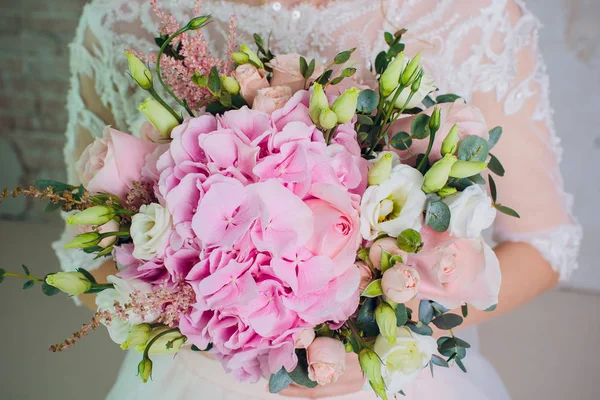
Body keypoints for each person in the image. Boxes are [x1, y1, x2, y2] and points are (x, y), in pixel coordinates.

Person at [53, 0, 582, 398]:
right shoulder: (120, 16)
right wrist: (221, 325)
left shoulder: (471, 16)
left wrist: (388, 331)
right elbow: (83, 250)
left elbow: (545, 245)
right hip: (203, 379)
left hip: (389, 382)